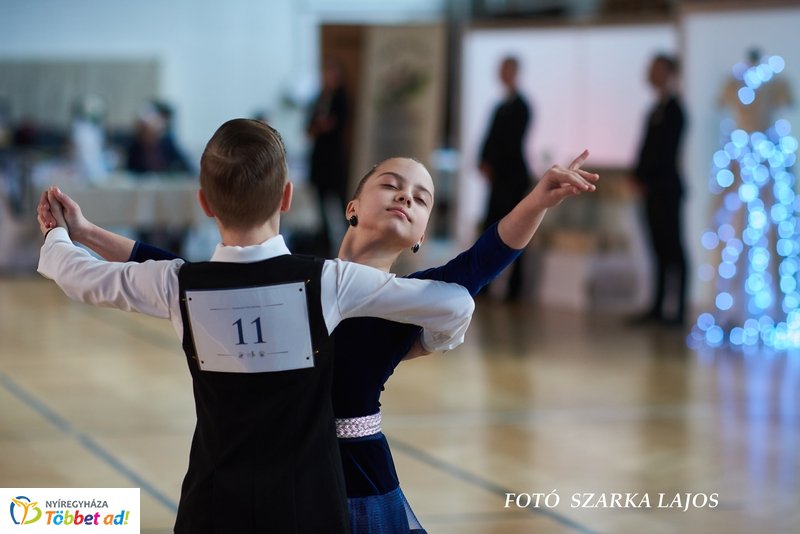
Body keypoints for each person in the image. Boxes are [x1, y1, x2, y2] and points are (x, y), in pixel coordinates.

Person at [41, 147, 598, 532]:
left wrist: (538, 202)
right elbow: (186, 275)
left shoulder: (412, 297)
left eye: (422, 198)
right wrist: (87, 233)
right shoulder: (301, 274)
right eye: (391, 184)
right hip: (281, 478)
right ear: (352, 206)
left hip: (358, 483)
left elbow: (482, 263)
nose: (406, 197)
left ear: (422, 234)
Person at [630, 54, 688, 326]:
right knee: (657, 249)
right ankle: (657, 305)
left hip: (666, 190)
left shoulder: (675, 110)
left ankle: (677, 311)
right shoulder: (654, 109)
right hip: (652, 191)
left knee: (673, 249)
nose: (651, 74)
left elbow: (665, 153)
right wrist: (637, 176)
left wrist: (647, 178)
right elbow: (645, 150)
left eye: (656, 70)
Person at [479, 55, 534, 301]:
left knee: (517, 231)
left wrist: (493, 163)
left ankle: (515, 288)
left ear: (515, 72)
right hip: (497, 180)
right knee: (490, 231)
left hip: (512, 180)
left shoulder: (522, 106)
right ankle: (485, 283)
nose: (503, 74)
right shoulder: (499, 107)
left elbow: (510, 143)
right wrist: (483, 162)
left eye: (507, 69)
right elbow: (489, 139)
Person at [307, 58, 349, 257]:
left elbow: (333, 124)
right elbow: (310, 127)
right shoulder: (317, 98)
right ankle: (324, 244)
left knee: (340, 203)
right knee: (320, 205)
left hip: (334, 161)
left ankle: (348, 243)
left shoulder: (341, 98)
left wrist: (322, 126)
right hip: (318, 160)